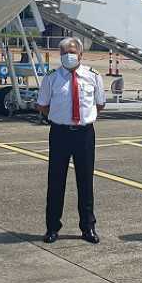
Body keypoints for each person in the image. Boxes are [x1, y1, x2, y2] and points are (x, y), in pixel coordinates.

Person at [37, 37, 105, 244]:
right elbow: (43, 105)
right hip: (60, 133)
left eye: (73, 51)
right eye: (65, 52)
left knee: (85, 181)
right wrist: (60, 117)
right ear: (60, 54)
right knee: (56, 181)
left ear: (81, 55)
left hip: (84, 133)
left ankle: (88, 227)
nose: (69, 55)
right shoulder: (52, 78)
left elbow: (99, 104)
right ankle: (52, 227)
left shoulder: (93, 76)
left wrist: (81, 119)